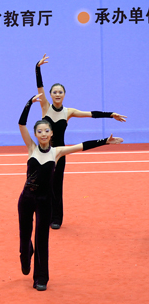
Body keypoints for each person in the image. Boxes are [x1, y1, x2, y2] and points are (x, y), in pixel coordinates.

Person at [17, 93, 123, 291]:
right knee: (25, 239)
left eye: (46, 131)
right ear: (36, 134)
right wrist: (29, 103)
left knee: (42, 239)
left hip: (44, 201)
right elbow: (21, 124)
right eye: (39, 131)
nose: (42, 134)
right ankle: (26, 252)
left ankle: (41, 278)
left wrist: (104, 141)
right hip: (26, 200)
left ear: (51, 134)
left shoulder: (57, 152)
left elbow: (81, 146)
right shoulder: (31, 148)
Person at [35, 54, 127, 229]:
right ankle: (44, 215)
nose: (57, 94)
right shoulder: (45, 106)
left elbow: (91, 114)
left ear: (64, 95)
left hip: (60, 153)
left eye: (60, 92)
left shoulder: (68, 112)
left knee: (56, 185)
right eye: (54, 92)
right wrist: (37, 68)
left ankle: (56, 218)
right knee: (43, 185)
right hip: (43, 153)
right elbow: (39, 87)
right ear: (50, 95)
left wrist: (110, 115)